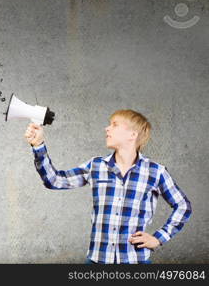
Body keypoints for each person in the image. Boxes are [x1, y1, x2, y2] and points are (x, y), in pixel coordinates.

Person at [24, 109, 192, 264]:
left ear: (132, 135)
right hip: (97, 260)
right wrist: (38, 145)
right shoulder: (95, 166)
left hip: (136, 261)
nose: (107, 129)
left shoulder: (155, 171)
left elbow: (183, 206)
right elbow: (54, 181)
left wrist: (158, 238)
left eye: (114, 124)